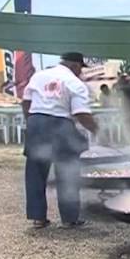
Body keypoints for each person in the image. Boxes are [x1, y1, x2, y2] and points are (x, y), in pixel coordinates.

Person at [21, 52, 99, 228]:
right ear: (76, 66)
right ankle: (70, 219)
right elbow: (81, 113)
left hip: (36, 121)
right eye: (81, 69)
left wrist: (32, 121)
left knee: (35, 173)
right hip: (60, 125)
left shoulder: (39, 75)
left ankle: (38, 218)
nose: (81, 73)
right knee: (67, 172)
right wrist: (98, 130)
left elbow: (25, 102)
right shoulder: (75, 83)